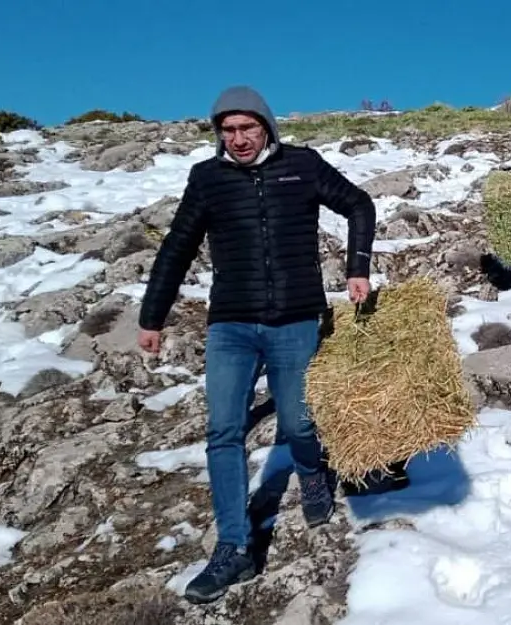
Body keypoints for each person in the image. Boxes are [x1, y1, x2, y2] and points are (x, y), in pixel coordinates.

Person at [136, 85, 376, 604]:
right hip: (231, 325)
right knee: (223, 431)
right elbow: (177, 248)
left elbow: (358, 204)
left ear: (266, 126)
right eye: (228, 130)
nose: (238, 139)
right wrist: (151, 317)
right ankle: (233, 549)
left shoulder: (302, 165)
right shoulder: (207, 179)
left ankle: (312, 473)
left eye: (247, 128)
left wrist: (358, 268)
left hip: (294, 322)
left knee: (297, 423)